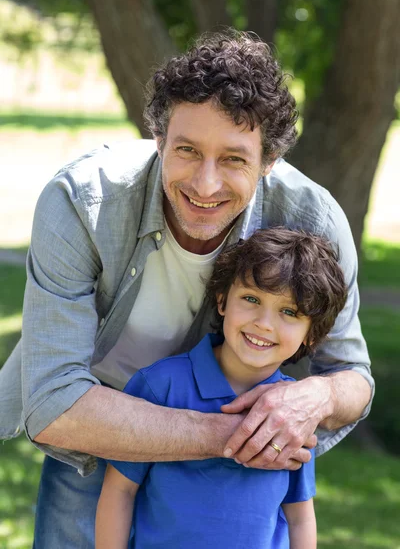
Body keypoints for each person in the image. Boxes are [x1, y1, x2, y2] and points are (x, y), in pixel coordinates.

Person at [0, 30, 373, 548]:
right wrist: (234, 438)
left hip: (239, 465)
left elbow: (353, 377)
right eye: (188, 151)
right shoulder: (81, 203)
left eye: (235, 160)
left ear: (269, 161)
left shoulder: (314, 219)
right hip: (103, 428)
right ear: (158, 138)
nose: (205, 184)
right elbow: (52, 399)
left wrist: (316, 396)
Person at [96, 228, 348, 549]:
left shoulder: (295, 412)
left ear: (311, 335)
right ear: (222, 301)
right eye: (251, 299)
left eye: (288, 311)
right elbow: (120, 491)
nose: (264, 323)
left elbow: (300, 517)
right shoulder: (160, 386)